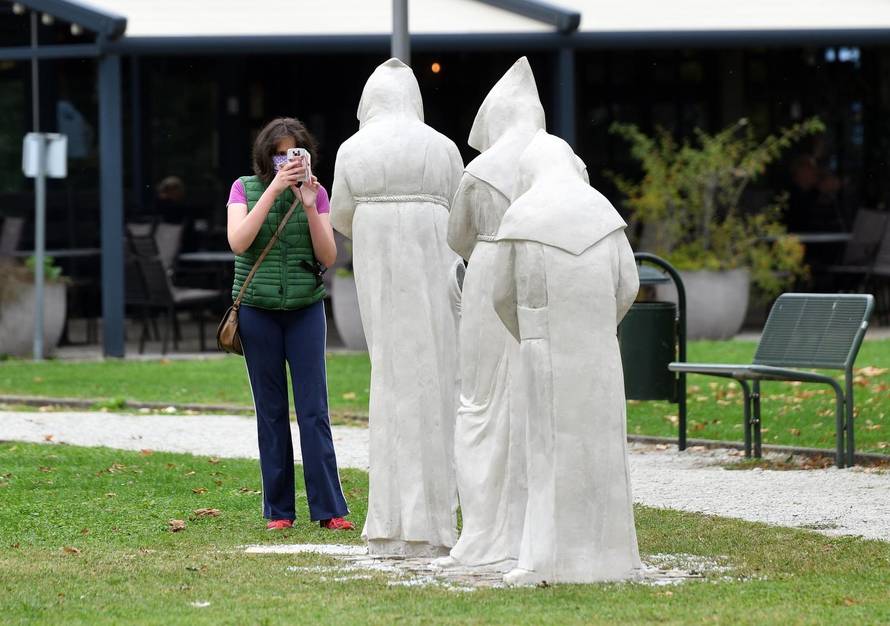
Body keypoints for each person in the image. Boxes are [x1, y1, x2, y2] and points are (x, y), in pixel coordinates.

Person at [492, 130, 641, 585]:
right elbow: (628, 286)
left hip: (544, 350)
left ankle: (545, 560)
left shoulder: (522, 215)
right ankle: (614, 558)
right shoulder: (604, 213)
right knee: (602, 453)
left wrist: (533, 335)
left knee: (548, 454)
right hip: (598, 351)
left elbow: (502, 297)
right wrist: (596, 325)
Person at [330, 59, 463, 557]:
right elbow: (462, 209)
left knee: (390, 376)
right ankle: (432, 517)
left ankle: (393, 518)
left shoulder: (353, 148)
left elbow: (342, 212)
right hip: (433, 261)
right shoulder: (443, 147)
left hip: (378, 259)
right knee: (433, 376)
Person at [226, 117, 353, 531]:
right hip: (257, 311)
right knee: (272, 411)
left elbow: (328, 255)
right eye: (279, 154)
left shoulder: (316, 193)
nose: (287, 160)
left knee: (314, 410)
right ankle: (279, 511)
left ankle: (329, 509)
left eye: (294, 153)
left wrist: (309, 203)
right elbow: (239, 240)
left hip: (305, 310)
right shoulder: (244, 187)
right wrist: (276, 190)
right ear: (267, 155)